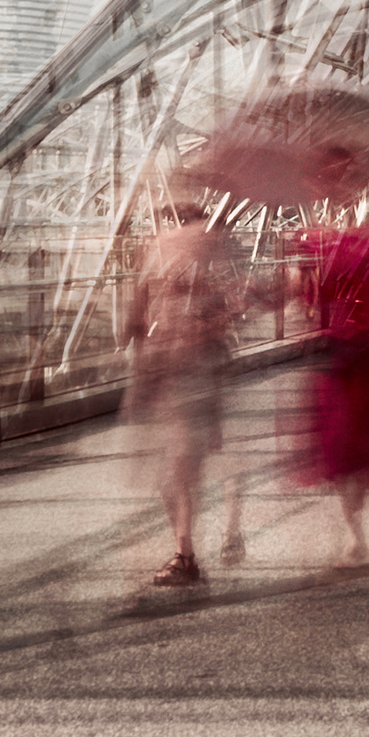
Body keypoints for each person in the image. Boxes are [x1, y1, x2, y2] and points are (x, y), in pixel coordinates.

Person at [124, 199, 243, 587]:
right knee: (175, 471)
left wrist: (198, 327)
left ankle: (186, 553)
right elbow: (140, 310)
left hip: (195, 373)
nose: (174, 231)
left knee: (181, 465)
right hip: (173, 373)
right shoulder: (163, 253)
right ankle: (198, 544)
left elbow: (234, 307)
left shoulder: (208, 259)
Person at [299, 215, 369, 567]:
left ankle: (355, 531)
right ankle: (355, 530)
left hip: (351, 359)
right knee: (353, 445)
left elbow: (313, 300)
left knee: (344, 445)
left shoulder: (336, 248)